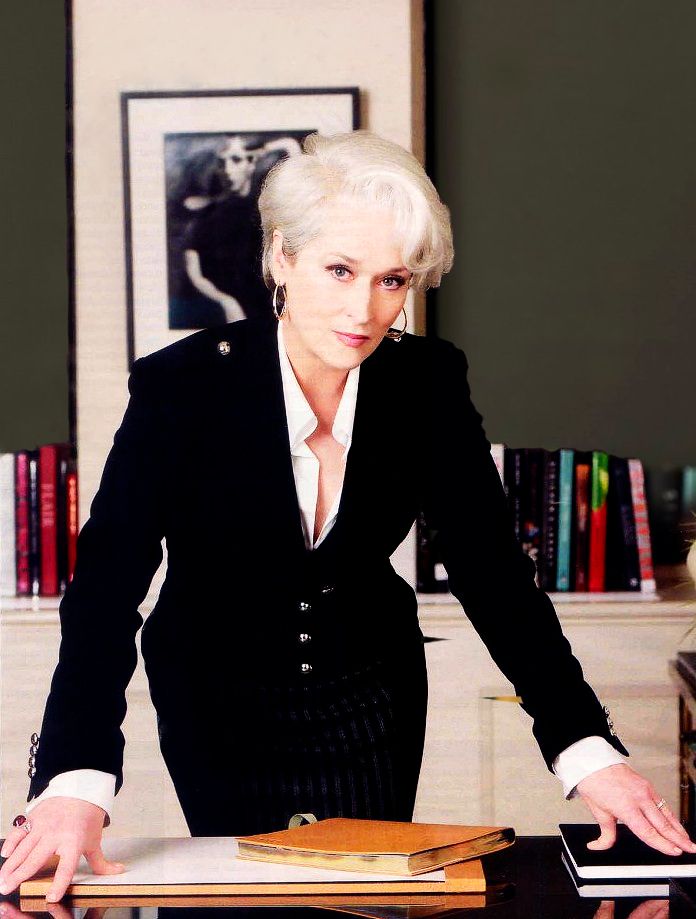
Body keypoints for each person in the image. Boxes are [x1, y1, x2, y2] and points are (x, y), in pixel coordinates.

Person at [0, 130, 693, 903]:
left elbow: (494, 575)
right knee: (247, 898)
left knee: (364, 900)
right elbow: (105, 586)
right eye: (338, 269)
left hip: (371, 691)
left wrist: (584, 747)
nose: (364, 309)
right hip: (216, 696)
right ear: (281, 259)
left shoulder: (427, 383)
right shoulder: (182, 387)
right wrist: (75, 773)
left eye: (392, 280)